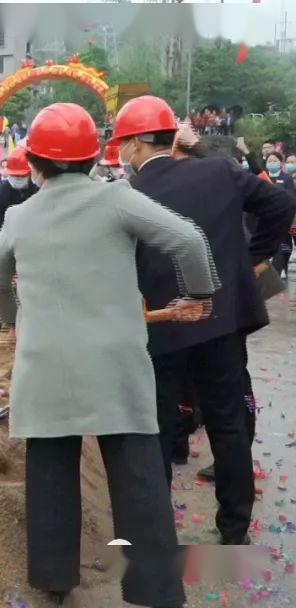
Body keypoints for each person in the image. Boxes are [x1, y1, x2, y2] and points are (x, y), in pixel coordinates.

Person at [0, 102, 216, 607]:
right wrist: (198, 295)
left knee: (50, 472)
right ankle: (155, 587)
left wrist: (12, 322)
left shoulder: (19, 215)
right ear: (95, 158)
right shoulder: (119, 200)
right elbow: (189, 242)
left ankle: (53, 578)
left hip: (46, 365)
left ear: (35, 163)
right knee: (138, 480)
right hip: (116, 365)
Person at [115, 95, 296, 545]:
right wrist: (248, 262)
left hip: (159, 328)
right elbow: (279, 207)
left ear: (137, 143)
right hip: (221, 321)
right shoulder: (217, 171)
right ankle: (234, 529)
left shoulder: (127, 195)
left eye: (122, 143)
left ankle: (156, 531)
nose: (120, 152)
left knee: (157, 426)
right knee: (228, 421)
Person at [0, 147, 37, 245]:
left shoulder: (36, 190)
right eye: (15, 176)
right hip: (8, 239)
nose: (18, 179)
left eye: (21, 176)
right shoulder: (1, 194)